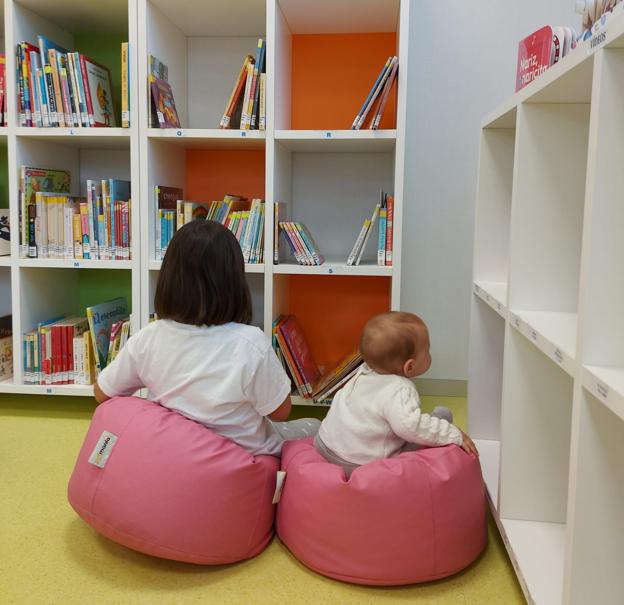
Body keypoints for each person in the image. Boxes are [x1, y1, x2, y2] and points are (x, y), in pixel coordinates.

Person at [95, 220, 319, 455]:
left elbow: (102, 392)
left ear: (168, 279)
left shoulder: (149, 337)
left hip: (173, 455)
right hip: (243, 460)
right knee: (315, 427)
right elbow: (280, 412)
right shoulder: (250, 343)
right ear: (234, 282)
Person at [315, 311, 478, 477]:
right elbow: (410, 427)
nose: (430, 354)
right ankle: (440, 422)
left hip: (326, 445)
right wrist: (452, 433)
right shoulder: (400, 389)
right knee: (430, 425)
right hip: (358, 464)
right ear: (409, 367)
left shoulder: (363, 373)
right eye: (427, 350)